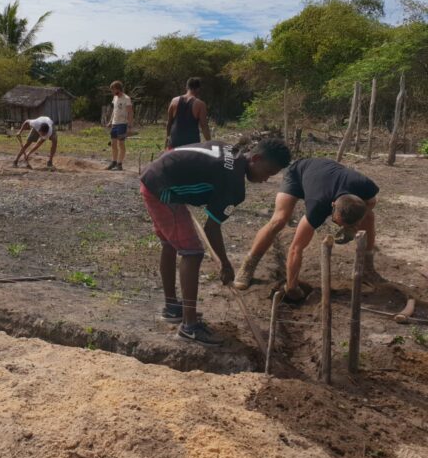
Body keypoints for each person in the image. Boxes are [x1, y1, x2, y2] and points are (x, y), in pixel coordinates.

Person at [140, 139, 291, 345]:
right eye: (268, 173)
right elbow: (211, 228)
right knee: (192, 252)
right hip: (163, 190)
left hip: (156, 178)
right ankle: (189, 327)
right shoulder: (234, 184)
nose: (266, 180)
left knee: (170, 243)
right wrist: (225, 263)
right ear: (255, 159)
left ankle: (172, 307)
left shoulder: (231, 149)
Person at [233, 158, 381, 299]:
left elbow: (371, 202)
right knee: (279, 220)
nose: (338, 226)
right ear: (332, 205)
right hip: (298, 172)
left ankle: (367, 266)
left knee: (369, 217)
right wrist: (291, 286)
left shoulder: (364, 186)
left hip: (325, 173)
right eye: (337, 222)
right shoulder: (318, 205)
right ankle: (248, 265)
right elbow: (295, 248)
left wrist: (353, 227)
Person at [166, 77, 211, 149]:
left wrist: (167, 140)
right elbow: (204, 126)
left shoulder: (174, 100)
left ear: (187, 87)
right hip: (192, 144)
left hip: (174, 142)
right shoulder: (200, 104)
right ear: (198, 89)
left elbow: (169, 123)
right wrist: (209, 143)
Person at [106, 80, 133, 171]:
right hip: (114, 123)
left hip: (122, 124)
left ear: (118, 89)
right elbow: (114, 110)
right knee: (113, 144)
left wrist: (129, 125)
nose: (112, 92)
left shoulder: (126, 98)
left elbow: (130, 112)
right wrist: (110, 121)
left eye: (113, 90)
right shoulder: (115, 98)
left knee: (121, 143)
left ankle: (119, 164)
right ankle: (113, 162)